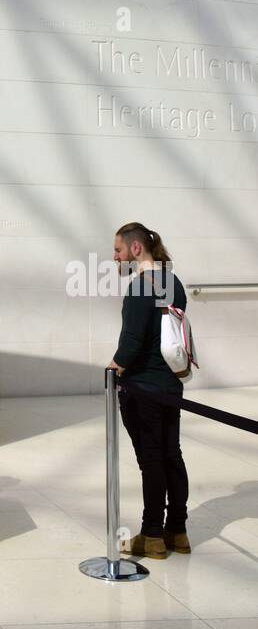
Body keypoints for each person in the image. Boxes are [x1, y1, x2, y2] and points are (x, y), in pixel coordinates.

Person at [107, 223, 190, 560]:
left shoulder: (140, 286)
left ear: (136, 248)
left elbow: (131, 343)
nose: (114, 257)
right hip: (170, 384)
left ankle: (152, 535)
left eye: (118, 250)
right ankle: (178, 531)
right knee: (172, 454)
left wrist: (113, 368)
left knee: (151, 460)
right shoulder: (175, 282)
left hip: (144, 388)